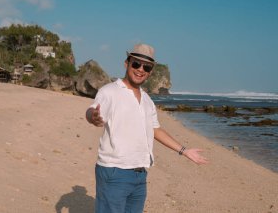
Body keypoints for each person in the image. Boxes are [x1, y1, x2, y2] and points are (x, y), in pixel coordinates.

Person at [86, 43, 208, 213]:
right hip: (114, 171)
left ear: (150, 72)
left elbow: (155, 129)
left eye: (146, 66)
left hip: (140, 175)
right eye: (136, 63)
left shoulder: (147, 100)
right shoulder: (110, 92)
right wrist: (93, 117)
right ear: (126, 63)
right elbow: (92, 110)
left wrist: (184, 151)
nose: (140, 69)